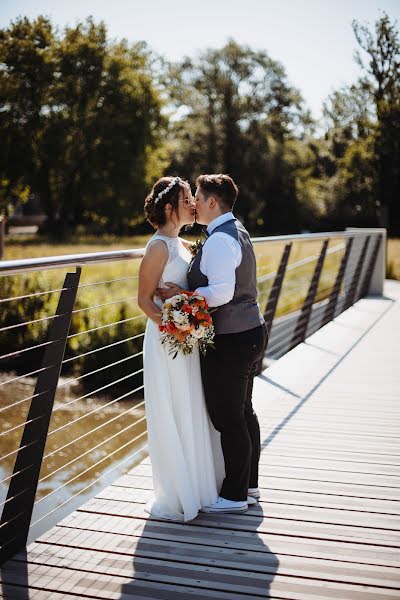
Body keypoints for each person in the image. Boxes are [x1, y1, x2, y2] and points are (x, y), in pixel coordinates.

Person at [158, 174, 268, 514]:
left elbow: (222, 291)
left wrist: (185, 296)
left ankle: (234, 496)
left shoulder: (220, 239)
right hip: (250, 332)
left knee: (228, 418)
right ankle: (249, 486)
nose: (194, 204)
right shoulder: (236, 230)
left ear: (210, 202)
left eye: (198, 197)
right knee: (243, 412)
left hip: (234, 339)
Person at [138, 176, 224, 522]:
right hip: (166, 341)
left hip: (185, 340)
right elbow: (144, 300)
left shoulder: (184, 245)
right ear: (171, 208)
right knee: (172, 408)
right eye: (188, 198)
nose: (193, 203)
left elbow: (183, 291)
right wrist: (172, 327)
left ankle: (199, 486)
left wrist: (188, 312)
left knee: (191, 406)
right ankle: (177, 493)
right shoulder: (157, 247)